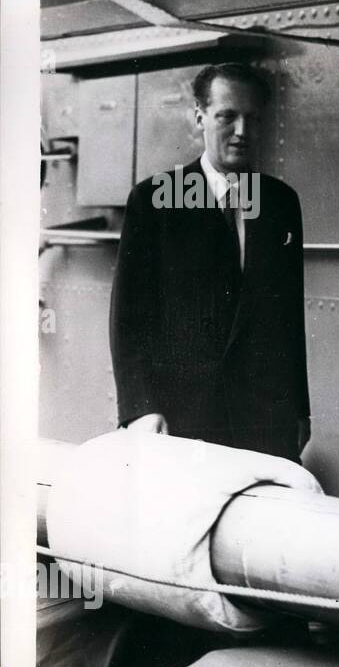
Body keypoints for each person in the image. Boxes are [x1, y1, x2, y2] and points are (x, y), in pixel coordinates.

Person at [109, 63, 310, 462]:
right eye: (227, 116)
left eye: (252, 118)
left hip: (264, 423)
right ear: (199, 116)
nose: (241, 130)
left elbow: (289, 318)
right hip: (179, 422)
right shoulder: (157, 199)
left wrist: (299, 410)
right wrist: (141, 408)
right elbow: (129, 317)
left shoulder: (280, 203)